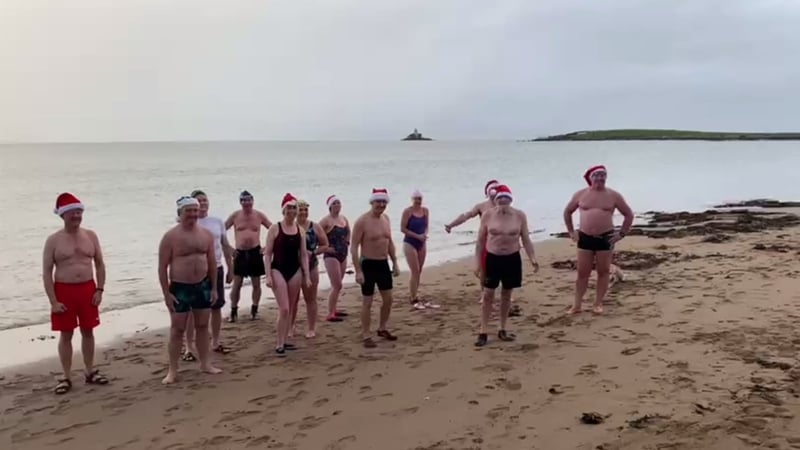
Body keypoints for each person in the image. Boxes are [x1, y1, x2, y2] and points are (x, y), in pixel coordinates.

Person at [43, 193, 109, 395]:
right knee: (66, 334)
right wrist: (53, 301)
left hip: (87, 288)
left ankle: (89, 371)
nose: (77, 216)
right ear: (63, 215)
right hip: (64, 290)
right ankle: (66, 376)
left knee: (88, 331)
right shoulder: (54, 240)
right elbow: (47, 272)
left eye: (79, 212)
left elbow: (99, 263)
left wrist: (100, 289)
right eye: (73, 212)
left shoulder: (90, 236)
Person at [158, 196, 222, 384]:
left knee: (203, 326)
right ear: (180, 213)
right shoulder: (171, 237)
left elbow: (211, 262)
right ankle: (173, 370)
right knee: (177, 329)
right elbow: (162, 267)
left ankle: (205, 364)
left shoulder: (206, 234)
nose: (193, 214)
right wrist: (166, 294)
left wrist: (213, 288)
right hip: (180, 287)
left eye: (195, 211)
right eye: (189, 211)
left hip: (202, 285)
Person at [563, 165, 634, 315]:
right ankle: (577, 305)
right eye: (597, 175)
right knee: (583, 273)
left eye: (603, 175)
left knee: (603, 271)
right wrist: (571, 231)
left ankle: (597, 303)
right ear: (590, 177)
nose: (600, 178)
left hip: (605, 237)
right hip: (585, 237)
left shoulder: (613, 195)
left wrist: (621, 233)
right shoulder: (580, 194)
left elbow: (628, 214)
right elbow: (568, 211)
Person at [473, 185, 539, 347]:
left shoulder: (519, 215)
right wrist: (476, 263)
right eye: (500, 198)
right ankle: (483, 331)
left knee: (506, 294)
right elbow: (480, 241)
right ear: (495, 200)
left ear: (510, 199)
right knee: (488, 294)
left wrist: (532, 258)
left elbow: (526, 239)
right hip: (492, 258)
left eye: (506, 198)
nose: (503, 201)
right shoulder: (488, 215)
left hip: (512, 258)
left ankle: (502, 328)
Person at [182, 190, 234, 362]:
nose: (203, 203)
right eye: (199, 201)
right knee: (191, 309)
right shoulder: (189, 224)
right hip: (196, 272)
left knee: (216, 306)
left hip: (217, 268)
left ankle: (216, 341)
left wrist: (230, 268)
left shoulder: (217, 221)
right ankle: (189, 347)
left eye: (205, 200)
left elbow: (225, 245)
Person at [351, 188, 400, 348]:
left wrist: (395, 262)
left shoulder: (386, 219)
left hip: (383, 263)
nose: (381, 204)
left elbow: (389, 242)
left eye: (384, 202)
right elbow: (354, 247)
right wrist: (358, 270)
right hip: (368, 264)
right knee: (367, 301)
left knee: (388, 299)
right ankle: (366, 334)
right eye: (378, 201)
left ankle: (382, 328)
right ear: (372, 202)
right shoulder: (362, 221)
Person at [263, 193, 310, 355]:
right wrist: (268, 275)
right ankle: (279, 343)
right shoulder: (275, 228)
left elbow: (303, 254)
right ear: (283, 210)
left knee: (291, 307)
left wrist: (307, 275)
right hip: (278, 270)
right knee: (283, 308)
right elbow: (267, 254)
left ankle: (286, 340)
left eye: (294, 208)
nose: (292, 211)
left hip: (295, 271)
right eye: (289, 208)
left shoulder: (300, 230)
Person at [445, 179, 500, 304]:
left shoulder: (503, 204)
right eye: (492, 192)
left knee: (500, 267)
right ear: (488, 193)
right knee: (483, 268)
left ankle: (503, 293)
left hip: (500, 240)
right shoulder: (481, 206)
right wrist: (451, 225)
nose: (494, 195)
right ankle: (483, 294)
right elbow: (466, 216)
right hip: (484, 240)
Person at [225, 190, 272, 322]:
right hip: (239, 253)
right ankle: (233, 311)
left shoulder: (259, 215)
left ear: (252, 201)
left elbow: (273, 230)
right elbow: (221, 231)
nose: (247, 203)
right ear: (240, 202)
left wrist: (267, 247)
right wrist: (229, 248)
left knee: (256, 284)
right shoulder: (235, 216)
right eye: (244, 200)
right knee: (237, 284)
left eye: (249, 200)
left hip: (255, 252)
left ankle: (254, 310)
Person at [293, 199, 330, 338]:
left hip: (311, 265)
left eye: (305, 210)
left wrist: (313, 252)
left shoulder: (314, 226)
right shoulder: (291, 226)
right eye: (300, 210)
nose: (303, 212)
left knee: (311, 298)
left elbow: (325, 244)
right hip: (293, 268)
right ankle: (291, 327)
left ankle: (311, 328)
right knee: (293, 300)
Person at [400, 190, 437, 310]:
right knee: (414, 270)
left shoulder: (425, 211)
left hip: (422, 242)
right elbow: (403, 228)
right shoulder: (408, 211)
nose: (418, 201)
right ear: (412, 200)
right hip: (410, 242)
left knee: (419, 270)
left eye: (420, 199)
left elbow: (426, 225)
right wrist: (417, 236)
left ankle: (415, 293)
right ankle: (412, 297)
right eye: (416, 199)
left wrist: (425, 234)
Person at [319, 195, 350, 322]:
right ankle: (330, 313)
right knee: (337, 284)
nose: (337, 205)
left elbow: (348, 231)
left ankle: (334, 308)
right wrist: (324, 247)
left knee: (338, 285)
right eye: (335, 203)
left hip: (343, 253)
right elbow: (316, 234)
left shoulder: (343, 219)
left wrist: (348, 242)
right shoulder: (326, 221)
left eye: (339, 203)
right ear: (330, 206)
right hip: (331, 255)